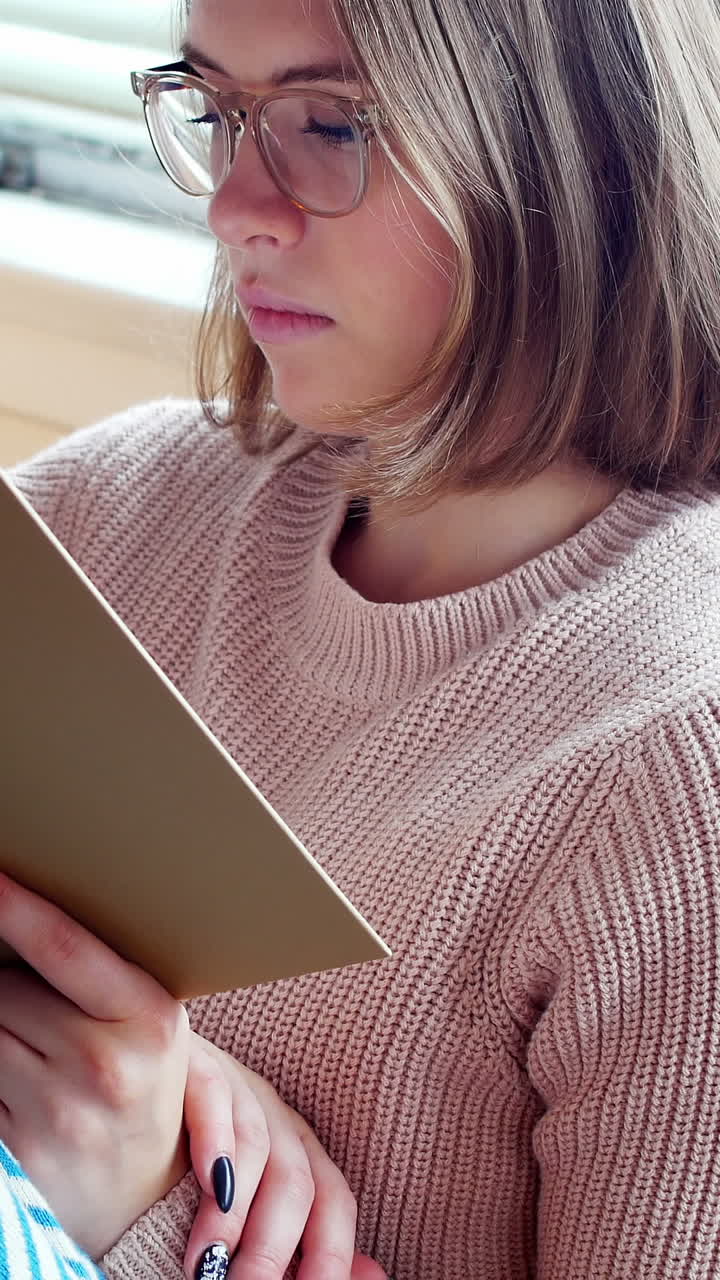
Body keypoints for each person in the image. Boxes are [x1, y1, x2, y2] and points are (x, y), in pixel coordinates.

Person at [2, 0, 720, 1273]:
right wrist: (160, 1066)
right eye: (220, 114)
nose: (234, 211)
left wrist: (154, 1203)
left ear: (578, 158)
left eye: (331, 125)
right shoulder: (114, 515)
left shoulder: (678, 768)